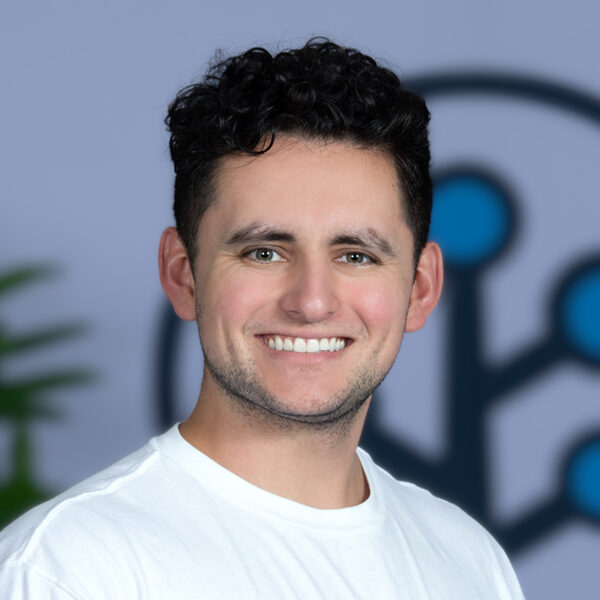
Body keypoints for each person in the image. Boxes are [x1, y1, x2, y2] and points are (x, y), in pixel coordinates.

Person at [0, 38, 525, 598]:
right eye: (264, 252)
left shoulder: (468, 561)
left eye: (356, 256)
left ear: (420, 289)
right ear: (183, 275)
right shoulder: (69, 569)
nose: (312, 301)